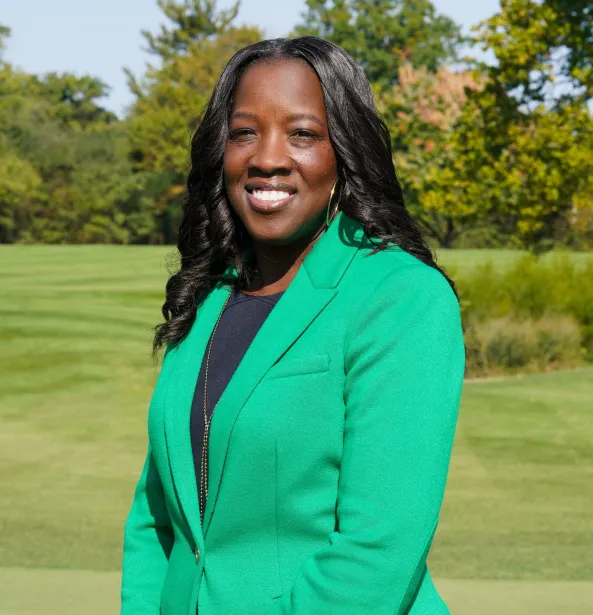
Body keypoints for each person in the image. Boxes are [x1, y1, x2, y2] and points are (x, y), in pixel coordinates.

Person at [120, 36, 465, 615]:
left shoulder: (400, 296)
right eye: (244, 132)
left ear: (344, 151)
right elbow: (157, 518)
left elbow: (376, 550)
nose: (267, 158)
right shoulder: (208, 298)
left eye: (302, 133)